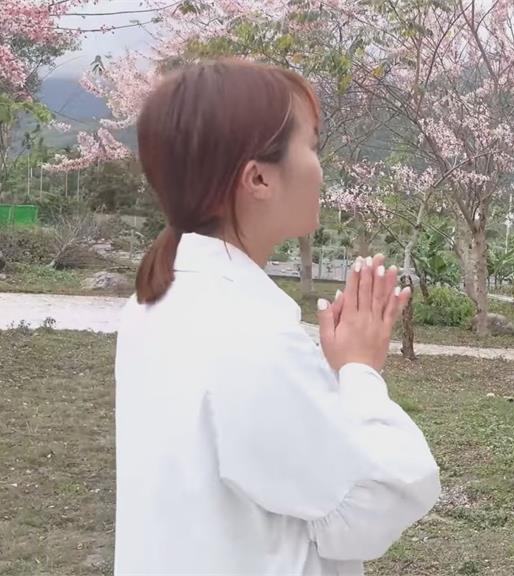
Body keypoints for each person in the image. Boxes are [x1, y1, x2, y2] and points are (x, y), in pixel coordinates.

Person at [114, 59, 440, 575]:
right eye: (311, 146)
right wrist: (358, 370)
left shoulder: (158, 301)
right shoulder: (245, 334)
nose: (319, 166)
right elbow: (384, 494)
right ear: (259, 178)